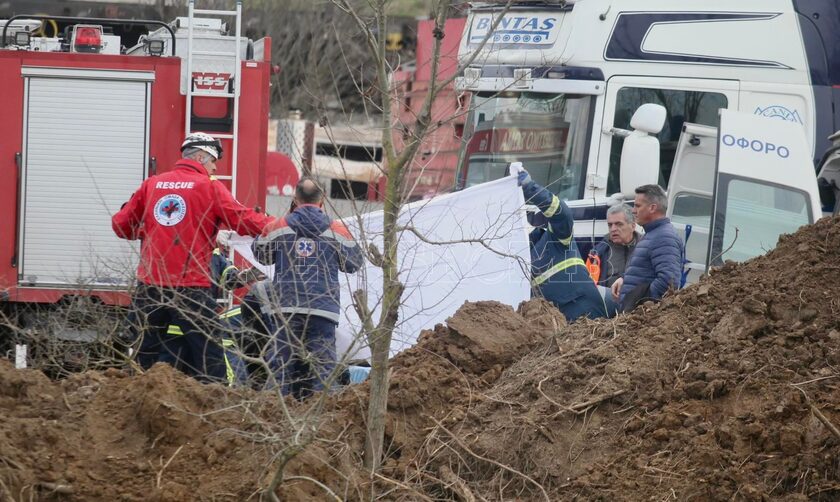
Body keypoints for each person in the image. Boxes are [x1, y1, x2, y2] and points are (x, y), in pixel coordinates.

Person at [112, 132, 273, 382]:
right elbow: (243, 220)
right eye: (212, 163)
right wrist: (279, 225)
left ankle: (141, 404)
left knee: (145, 357)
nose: (214, 169)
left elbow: (122, 226)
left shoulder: (152, 184)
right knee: (211, 360)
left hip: (150, 287)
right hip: (190, 288)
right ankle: (212, 412)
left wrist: (151, 231)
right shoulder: (209, 187)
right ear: (200, 157)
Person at [252, 177, 364, 398]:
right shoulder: (337, 230)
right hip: (323, 308)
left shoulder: (279, 226)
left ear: (295, 198)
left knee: (280, 369)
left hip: (286, 308)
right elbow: (354, 263)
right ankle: (323, 421)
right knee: (324, 370)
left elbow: (260, 253)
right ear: (322, 199)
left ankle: (275, 417)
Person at [517, 167, 608, 322]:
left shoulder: (555, 238)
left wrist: (530, 188)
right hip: (560, 325)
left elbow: (562, 214)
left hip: (586, 313)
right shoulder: (518, 260)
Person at [611, 184, 683, 312]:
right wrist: (624, 279)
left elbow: (669, 282)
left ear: (652, 208)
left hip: (640, 317)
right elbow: (644, 269)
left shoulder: (664, 237)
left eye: (637, 206)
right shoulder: (652, 233)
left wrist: (640, 304)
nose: (633, 210)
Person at [587, 203, 640, 288]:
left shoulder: (646, 248)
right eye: (610, 225)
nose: (613, 229)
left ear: (633, 226)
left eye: (619, 224)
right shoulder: (597, 253)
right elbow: (588, 287)